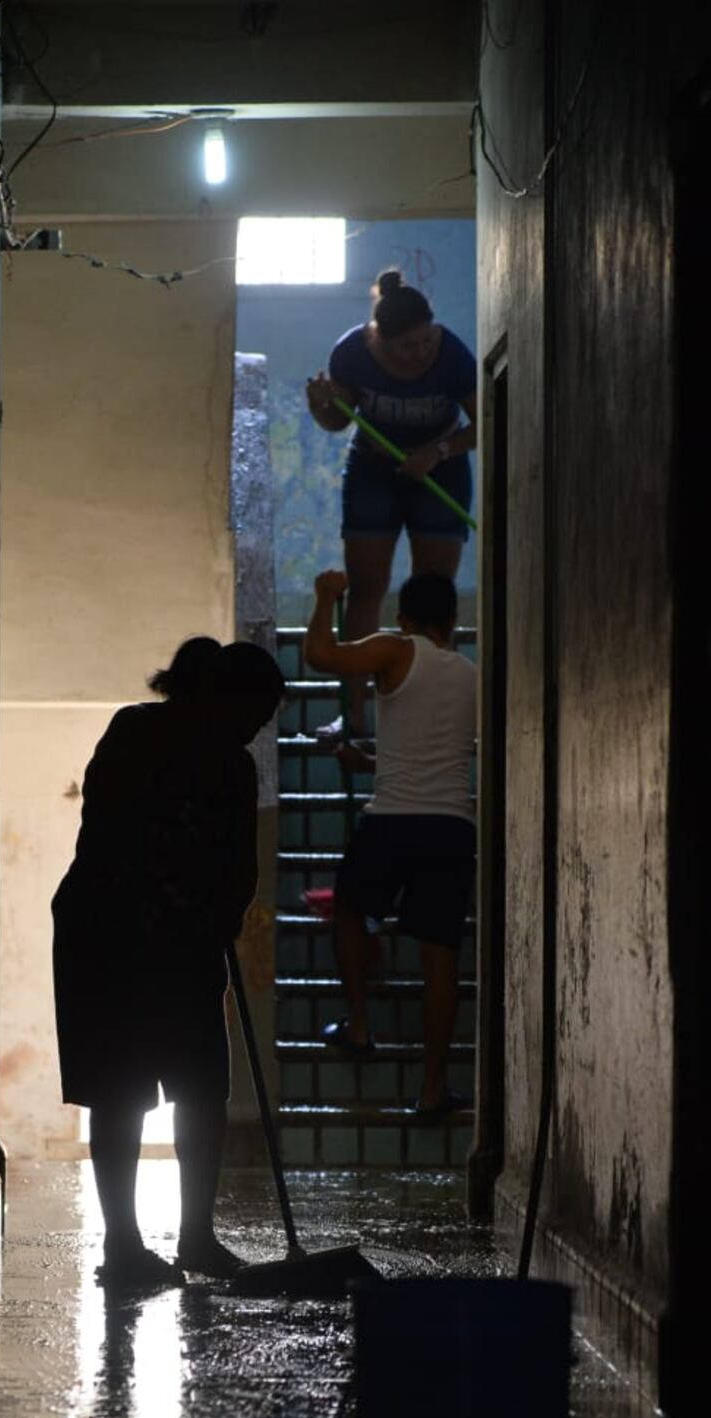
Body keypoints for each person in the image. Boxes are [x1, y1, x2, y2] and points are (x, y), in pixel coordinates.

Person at [51, 636, 285, 1290]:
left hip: (186, 945)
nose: (255, 729)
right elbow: (110, 833)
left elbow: (240, 865)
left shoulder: (235, 766)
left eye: (264, 720)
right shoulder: (136, 733)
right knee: (118, 1091)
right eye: (252, 713)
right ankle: (123, 1245)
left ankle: (196, 1237)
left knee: (202, 1088)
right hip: (110, 941)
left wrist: (220, 914)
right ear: (218, 696)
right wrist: (177, 902)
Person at [302, 568, 475, 1120]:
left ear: (404, 619)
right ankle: (432, 1089)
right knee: (440, 956)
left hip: (394, 820)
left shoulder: (397, 649)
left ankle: (358, 1025)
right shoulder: (471, 676)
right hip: (451, 826)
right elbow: (437, 754)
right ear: (453, 620)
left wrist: (326, 597)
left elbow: (320, 655)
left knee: (350, 910)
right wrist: (371, 762)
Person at [305, 268, 477, 742]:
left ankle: (432, 716)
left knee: (433, 595)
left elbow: (487, 420)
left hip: (441, 468)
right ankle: (355, 716)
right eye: (408, 346)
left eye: (426, 341)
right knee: (366, 588)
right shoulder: (352, 352)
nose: (420, 352)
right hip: (374, 470)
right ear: (380, 337)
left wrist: (437, 452)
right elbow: (336, 422)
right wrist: (320, 405)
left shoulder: (452, 354)